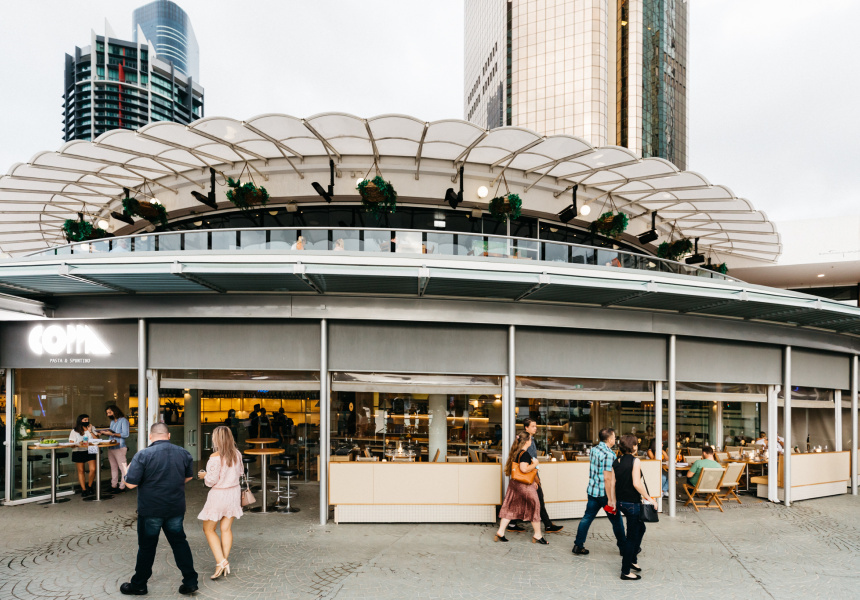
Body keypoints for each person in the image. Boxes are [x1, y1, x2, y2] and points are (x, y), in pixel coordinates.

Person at [120, 423, 198, 596]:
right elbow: (188, 477)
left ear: (150, 436)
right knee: (180, 544)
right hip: (175, 508)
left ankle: (139, 584)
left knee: (147, 547)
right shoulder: (184, 453)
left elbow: (130, 484)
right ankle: (191, 581)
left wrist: (126, 472)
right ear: (168, 435)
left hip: (151, 510)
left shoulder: (143, 455)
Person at [197, 426, 244, 580]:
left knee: (208, 529)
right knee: (226, 528)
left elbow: (211, 481)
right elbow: (241, 472)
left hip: (219, 496)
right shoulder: (237, 454)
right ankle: (221, 562)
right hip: (233, 494)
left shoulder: (215, 457)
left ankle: (221, 561)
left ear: (216, 439)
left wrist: (204, 475)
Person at [572, 428, 626, 556]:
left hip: (592, 490)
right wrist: (611, 499)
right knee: (617, 521)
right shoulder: (609, 454)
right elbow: (607, 478)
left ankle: (578, 545)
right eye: (614, 437)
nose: (615, 439)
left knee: (587, 518)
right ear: (609, 439)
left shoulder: (594, 450)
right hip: (604, 493)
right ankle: (624, 548)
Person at [507, 418, 563, 533]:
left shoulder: (527, 440)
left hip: (525, 476)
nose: (535, 428)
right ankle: (547, 525)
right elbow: (530, 462)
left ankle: (512, 524)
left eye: (536, 426)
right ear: (526, 428)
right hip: (530, 475)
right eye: (533, 426)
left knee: (521, 500)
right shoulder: (528, 441)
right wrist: (536, 480)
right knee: (539, 499)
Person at [492, 431, 547, 545]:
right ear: (527, 441)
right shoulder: (525, 454)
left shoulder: (516, 452)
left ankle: (500, 531)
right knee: (535, 506)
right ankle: (537, 535)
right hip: (524, 486)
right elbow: (524, 469)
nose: (531, 441)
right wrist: (535, 463)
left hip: (515, 484)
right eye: (530, 439)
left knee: (510, 507)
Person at [613, 434, 654, 580]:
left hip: (621, 503)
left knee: (641, 528)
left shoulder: (616, 461)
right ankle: (625, 571)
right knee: (631, 537)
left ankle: (631, 558)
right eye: (636, 444)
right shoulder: (635, 461)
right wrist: (650, 499)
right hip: (632, 504)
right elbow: (637, 483)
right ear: (633, 446)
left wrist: (613, 501)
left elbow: (613, 483)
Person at [99, 405, 130, 494]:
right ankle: (113, 485)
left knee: (122, 467)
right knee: (113, 467)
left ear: (115, 411)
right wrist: (105, 433)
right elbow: (111, 434)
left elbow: (125, 434)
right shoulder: (112, 422)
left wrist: (112, 433)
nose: (108, 414)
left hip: (120, 446)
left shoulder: (123, 421)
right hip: (111, 446)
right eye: (107, 413)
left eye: (110, 412)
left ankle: (122, 486)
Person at [69, 414, 97, 497]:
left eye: (87, 419)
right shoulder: (74, 430)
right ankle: (83, 489)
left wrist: (90, 431)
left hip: (91, 449)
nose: (87, 421)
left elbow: (97, 439)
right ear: (80, 421)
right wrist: (79, 443)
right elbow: (71, 443)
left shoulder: (92, 428)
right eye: (85, 420)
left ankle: (90, 486)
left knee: (93, 469)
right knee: (81, 471)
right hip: (79, 451)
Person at [647, 431, 670, 497]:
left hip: (659, 469)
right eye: (661, 443)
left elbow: (668, 459)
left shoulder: (661, 450)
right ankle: (662, 491)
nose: (662, 445)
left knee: (671, 476)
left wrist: (663, 452)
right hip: (651, 470)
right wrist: (658, 450)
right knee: (663, 478)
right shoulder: (649, 451)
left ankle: (663, 490)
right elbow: (654, 460)